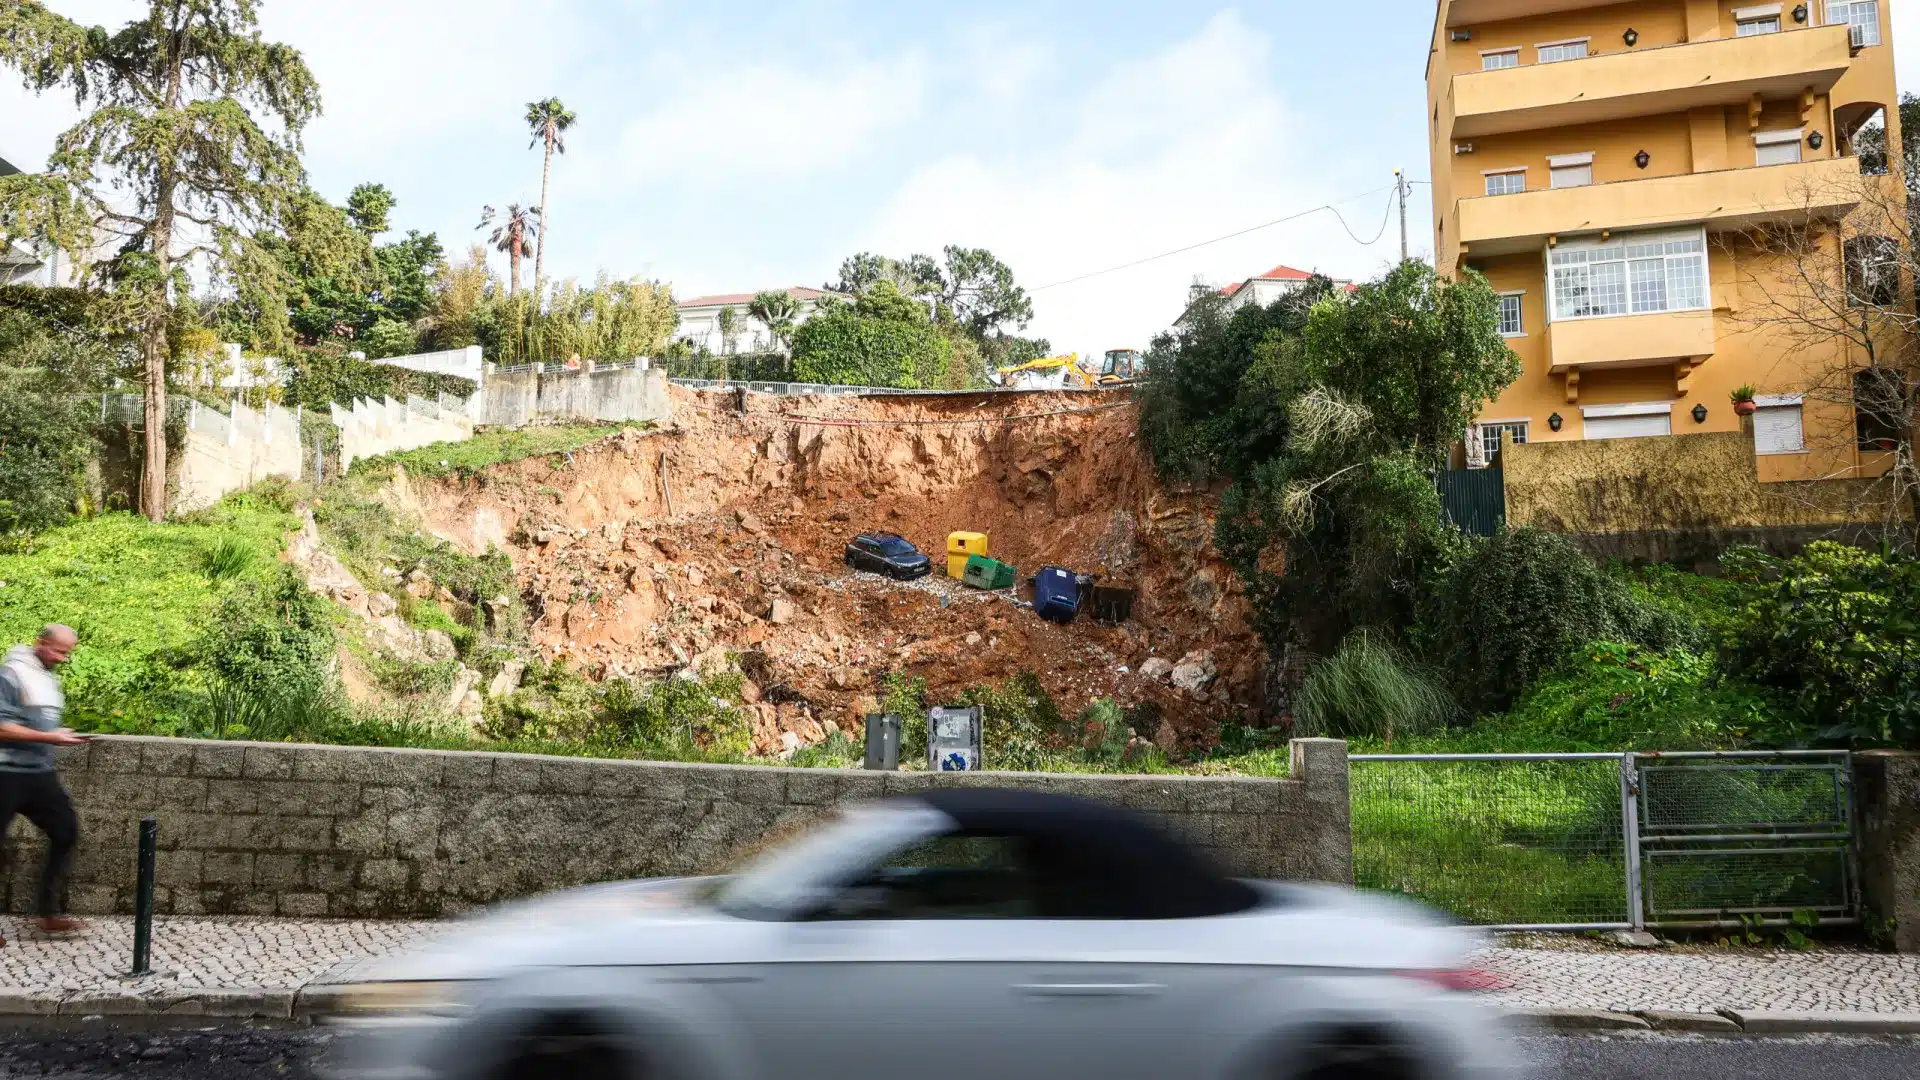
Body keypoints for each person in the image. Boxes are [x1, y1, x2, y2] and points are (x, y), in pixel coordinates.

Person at [0, 625, 88, 944]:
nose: (63, 658)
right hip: (5, 772)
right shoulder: (10, 674)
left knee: (66, 831)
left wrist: (55, 733)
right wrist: (50, 736)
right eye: (59, 651)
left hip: (39, 773)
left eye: (68, 653)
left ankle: (48, 914)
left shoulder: (48, 677)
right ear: (41, 642)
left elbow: (36, 723)